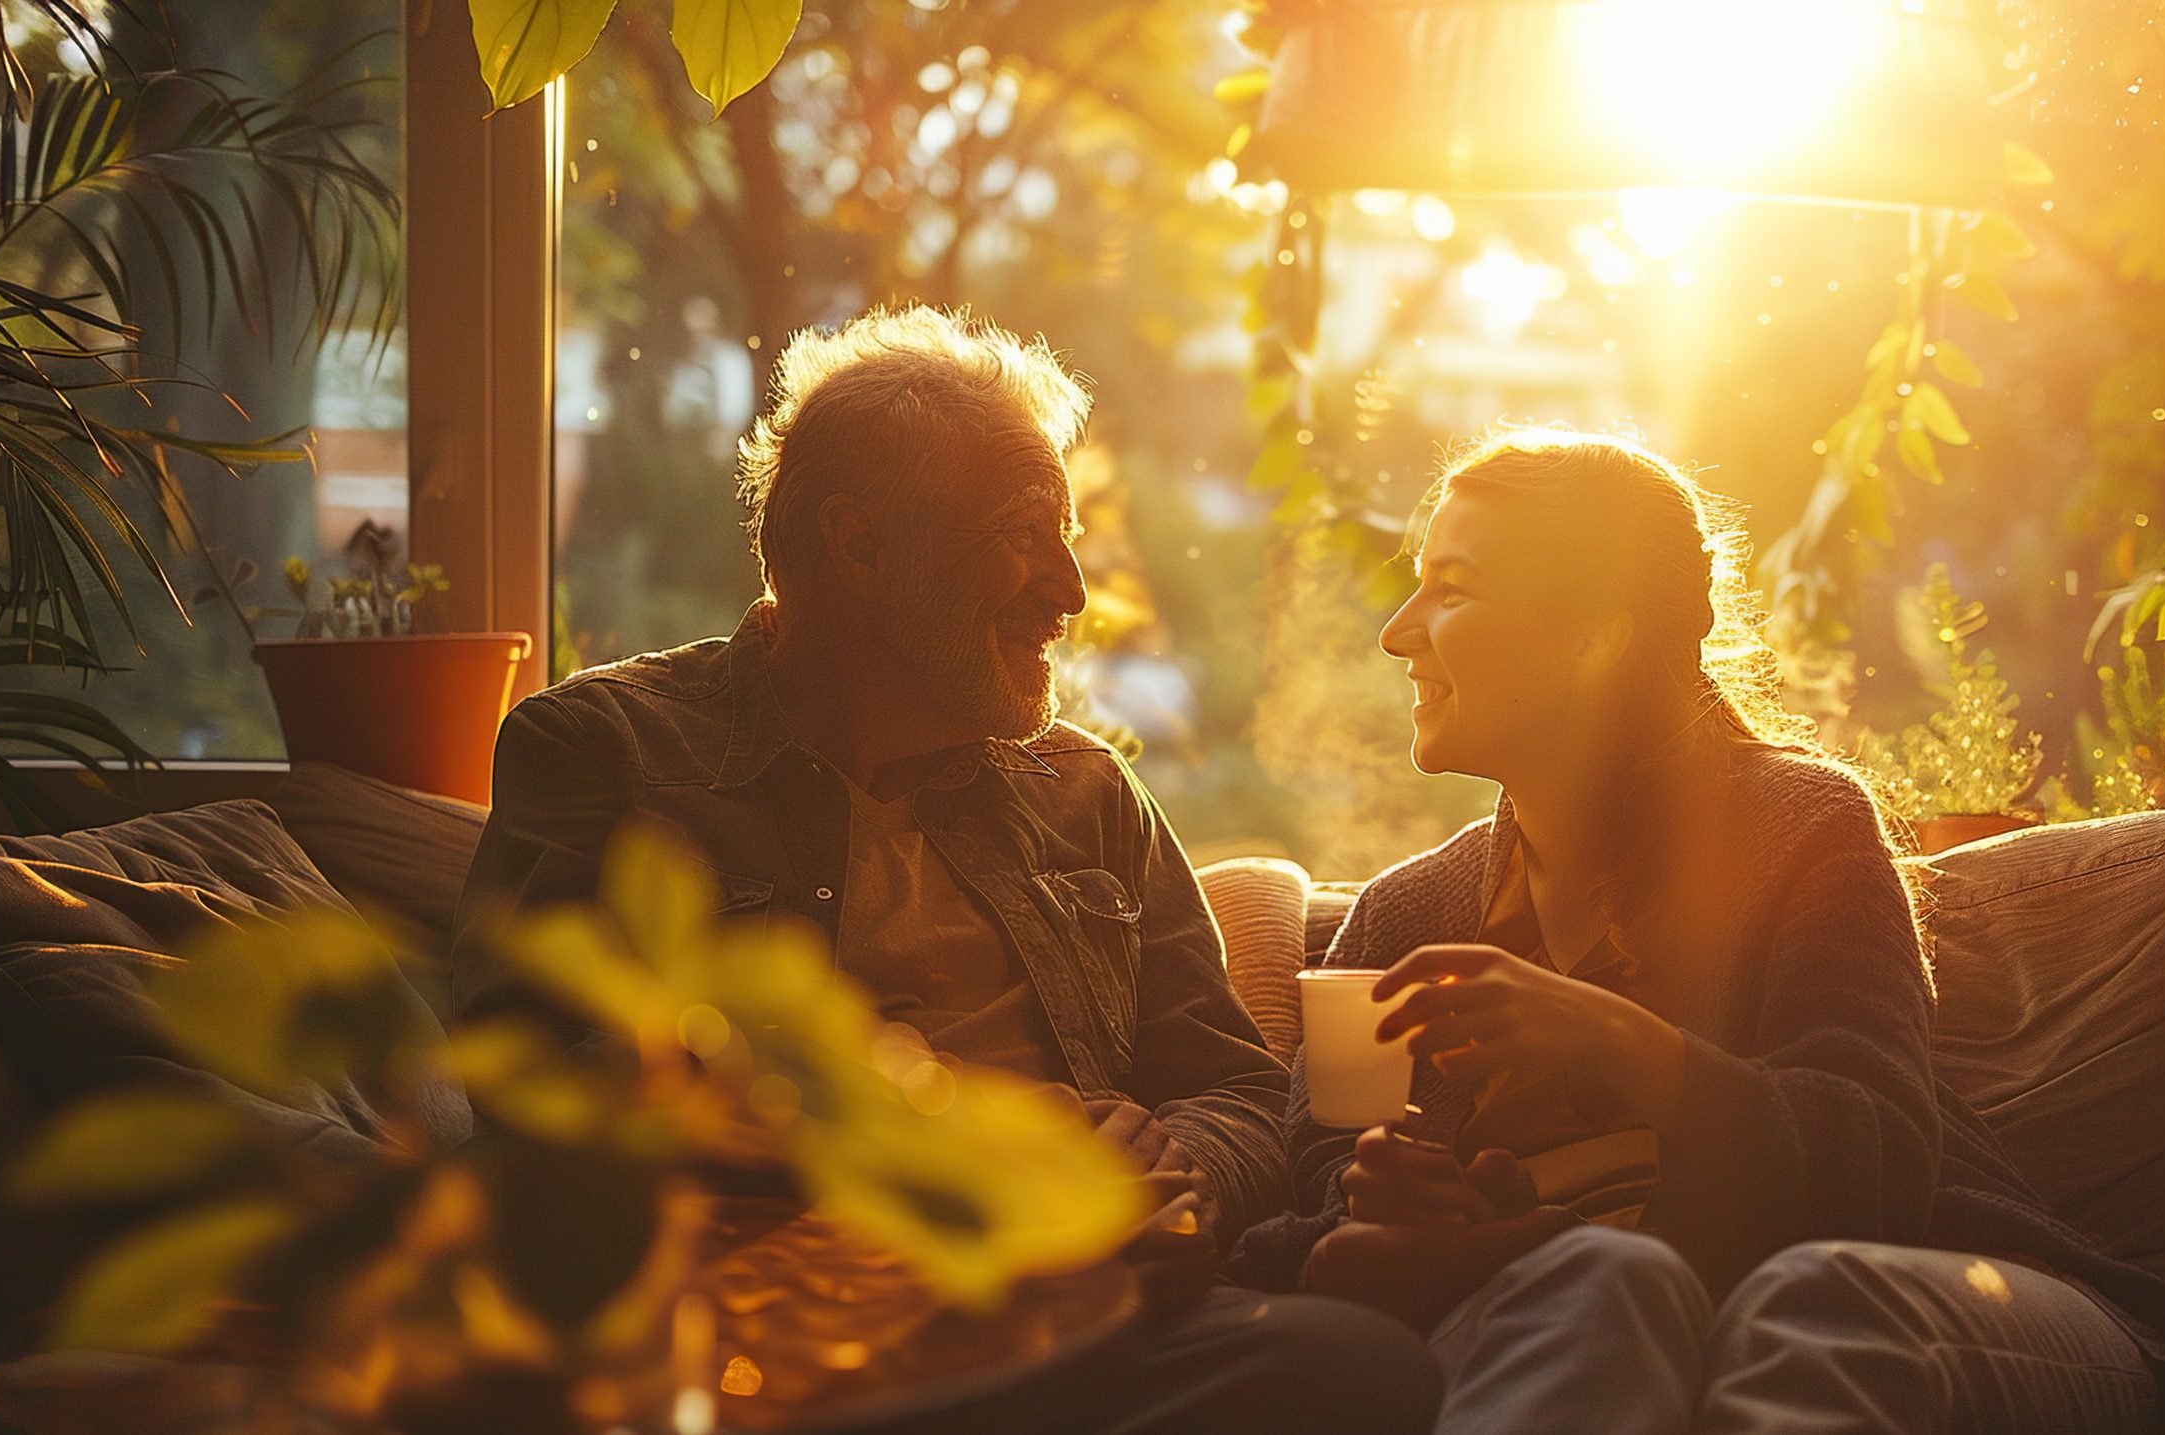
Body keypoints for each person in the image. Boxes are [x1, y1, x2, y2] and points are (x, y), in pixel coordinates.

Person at [451, 304, 1439, 1435]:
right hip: (769, 1335)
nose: (1069, 588)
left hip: (1089, 1314)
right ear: (862, 547)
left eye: (1068, 534)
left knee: (1361, 1368)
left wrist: (1175, 1172)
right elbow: (531, 1083)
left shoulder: (1087, 792)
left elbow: (1240, 1088)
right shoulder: (606, 752)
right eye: (1025, 532)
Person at [1230, 429, 2165, 1434]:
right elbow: (1319, 1205)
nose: (1398, 633)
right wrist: (1402, 1221)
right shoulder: (1403, 917)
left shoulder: (1798, 827)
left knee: (1800, 1313)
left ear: (1593, 638)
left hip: (1933, 1288)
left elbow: (1875, 1172)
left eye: (1453, 589)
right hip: (1584, 1332)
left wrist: (1617, 1041)